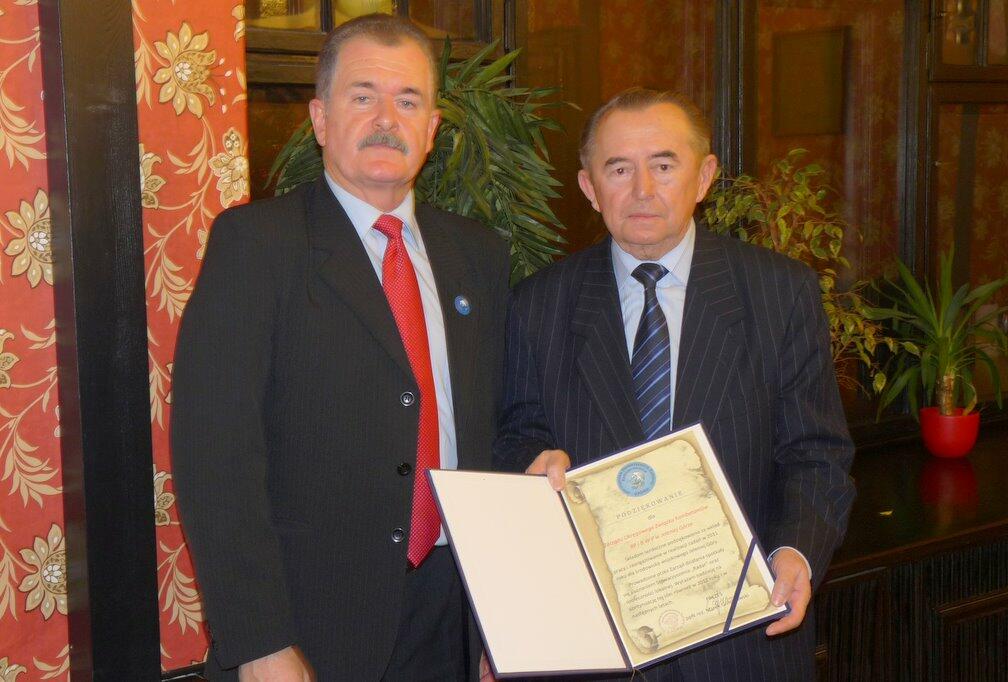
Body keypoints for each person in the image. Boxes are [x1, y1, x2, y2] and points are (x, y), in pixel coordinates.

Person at [172, 14, 509, 681]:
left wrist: (500, 622)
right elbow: (216, 457)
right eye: (363, 96)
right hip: (309, 622)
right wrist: (258, 639)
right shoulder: (257, 245)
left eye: (408, 101)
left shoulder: (478, 255)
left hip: (451, 614)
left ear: (432, 128)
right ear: (320, 119)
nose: (386, 119)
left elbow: (489, 432)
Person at [494, 87, 855, 680]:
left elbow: (815, 452)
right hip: (596, 641)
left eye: (664, 166)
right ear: (589, 187)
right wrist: (533, 460)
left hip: (745, 639)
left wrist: (795, 552)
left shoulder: (779, 292)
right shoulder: (538, 304)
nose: (642, 189)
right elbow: (516, 434)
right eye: (618, 169)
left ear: (704, 176)